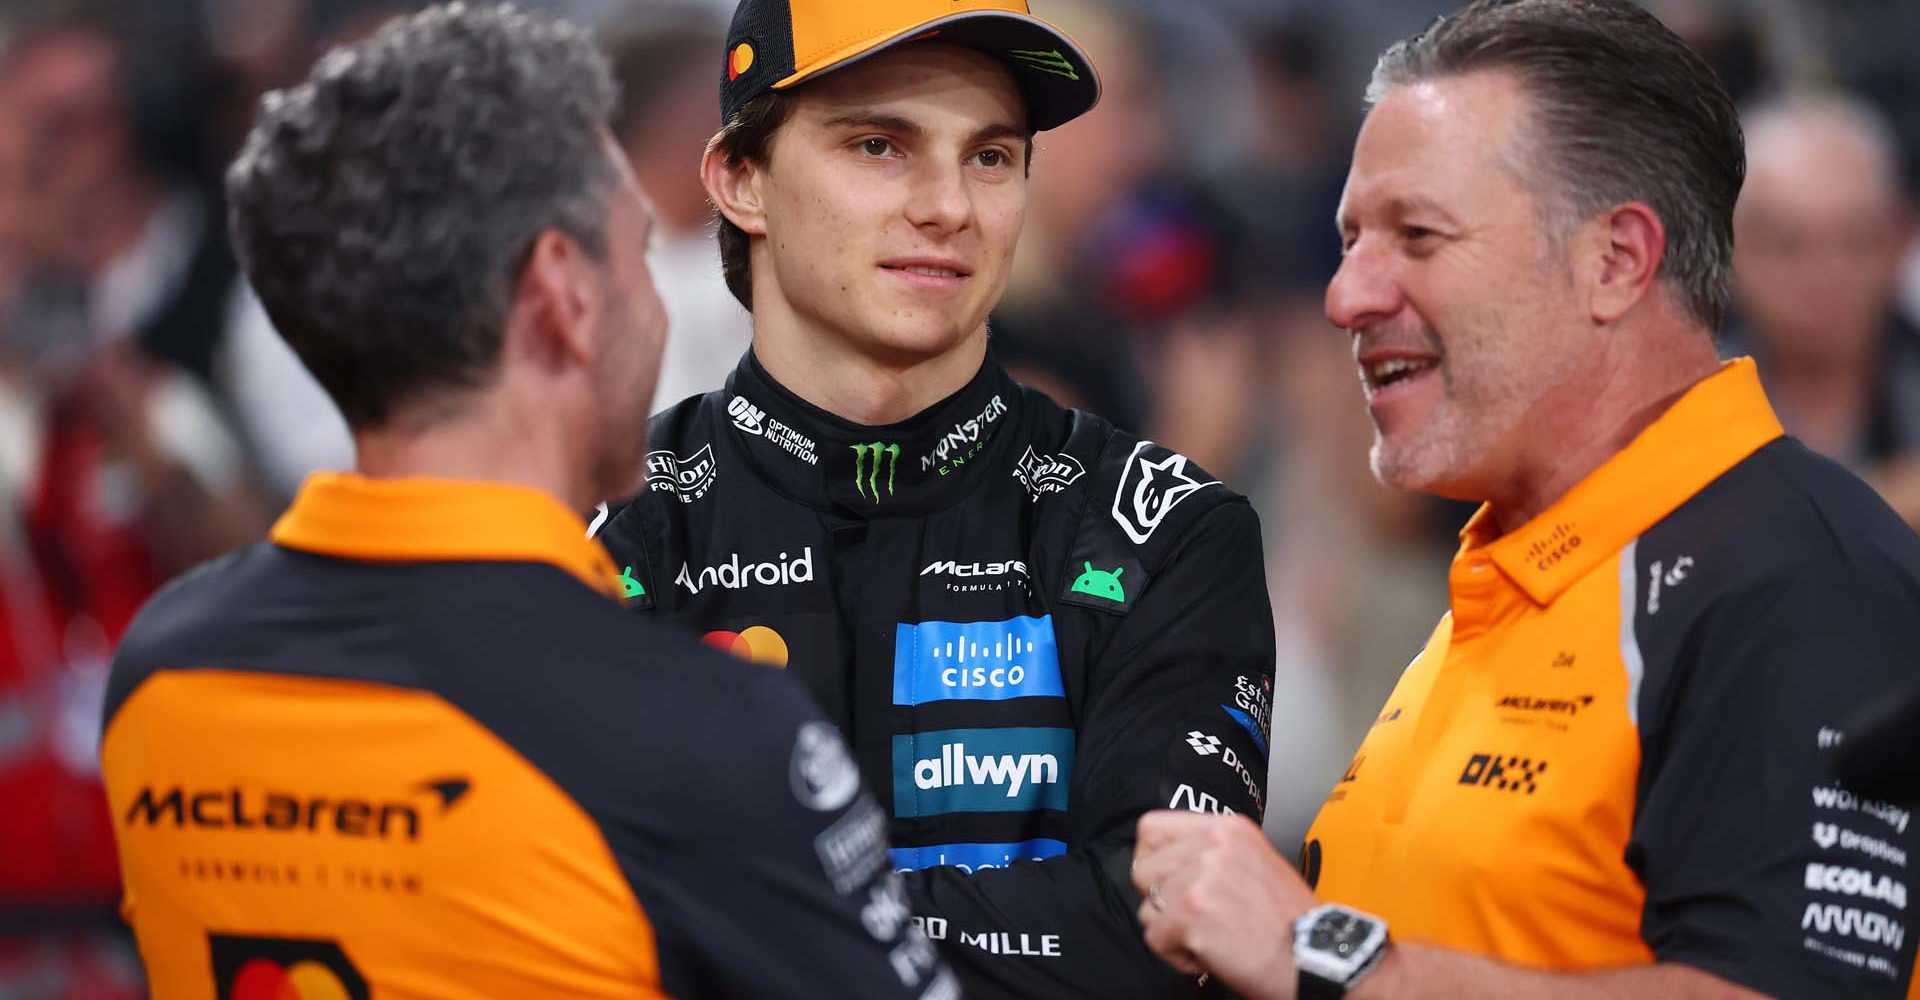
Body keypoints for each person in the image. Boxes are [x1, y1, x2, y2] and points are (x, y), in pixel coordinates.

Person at [98, 7, 954, 999]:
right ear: (565, 292)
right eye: (638, 246)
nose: (657, 295)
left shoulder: (166, 667)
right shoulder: (702, 734)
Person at [1127, 2, 1920, 999]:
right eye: (1350, 238)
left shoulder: (1796, 583)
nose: (1346, 294)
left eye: (1417, 233)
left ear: (1616, 261)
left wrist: (1322, 953)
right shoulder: (1514, 568)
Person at [593, 1, 1277, 997]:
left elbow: (1164, 938)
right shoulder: (608, 527)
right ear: (741, 180)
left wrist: (729, 916)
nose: (950, 205)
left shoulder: (1167, 529)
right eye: (879, 145)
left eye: (991, 157)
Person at [1728, 93, 1920, 529]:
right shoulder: (1676, 403)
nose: (1825, 276)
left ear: (1901, 239)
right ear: (1729, 250)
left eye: (1857, 239)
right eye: (1787, 245)